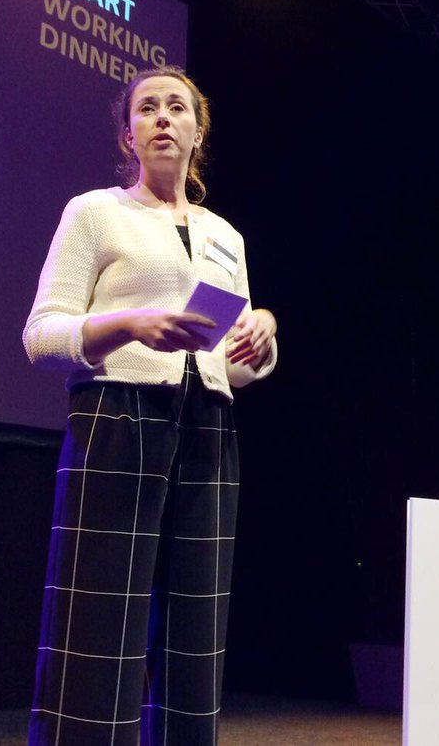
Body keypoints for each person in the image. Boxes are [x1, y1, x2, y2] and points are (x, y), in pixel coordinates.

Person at [22, 65, 277, 745]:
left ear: (199, 132)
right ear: (129, 136)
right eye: (147, 109)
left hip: (209, 427)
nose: (163, 117)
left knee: (198, 630)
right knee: (97, 622)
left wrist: (262, 334)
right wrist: (131, 324)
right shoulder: (95, 212)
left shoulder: (227, 236)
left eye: (177, 107)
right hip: (118, 417)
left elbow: (231, 364)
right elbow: (42, 337)